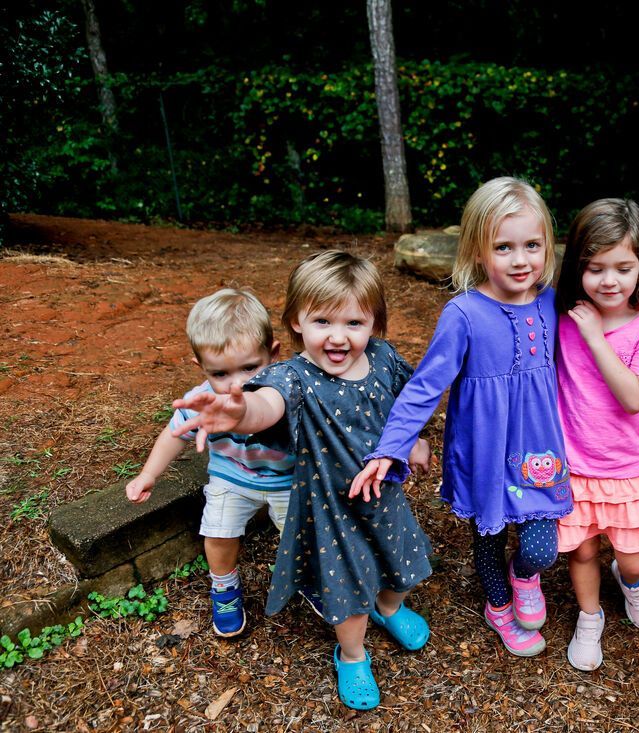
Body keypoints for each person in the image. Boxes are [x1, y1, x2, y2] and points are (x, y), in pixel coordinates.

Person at [172, 251, 433, 711]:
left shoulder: (385, 358)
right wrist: (239, 414)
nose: (338, 336)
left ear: (374, 322)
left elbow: (406, 404)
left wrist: (413, 441)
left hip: (386, 496)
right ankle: (352, 655)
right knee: (349, 594)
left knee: (405, 563)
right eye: (322, 321)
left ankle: (389, 608)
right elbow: (264, 405)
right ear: (295, 321)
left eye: (354, 322)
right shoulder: (292, 377)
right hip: (333, 511)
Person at [354, 177, 572, 658]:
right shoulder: (464, 313)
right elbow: (426, 386)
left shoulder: (554, 303)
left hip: (538, 448)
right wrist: (392, 446)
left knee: (541, 545)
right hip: (485, 449)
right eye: (503, 247)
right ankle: (498, 606)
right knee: (488, 535)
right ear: (477, 251)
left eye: (532, 245)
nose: (520, 260)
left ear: (547, 246)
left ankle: (525, 575)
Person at [125, 288, 292, 638]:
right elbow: (174, 434)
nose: (237, 384)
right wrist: (148, 474)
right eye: (220, 374)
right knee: (217, 535)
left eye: (250, 367)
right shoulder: (200, 401)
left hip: (287, 482)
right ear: (201, 368)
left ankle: (314, 580)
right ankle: (225, 588)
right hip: (231, 479)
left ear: (273, 354)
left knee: (303, 538)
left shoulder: (287, 390)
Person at [553, 198, 639, 670]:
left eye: (622, 267)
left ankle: (632, 582)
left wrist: (597, 339)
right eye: (595, 268)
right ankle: (589, 615)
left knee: (637, 560)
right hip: (574, 464)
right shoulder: (564, 317)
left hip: (624, 466)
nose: (609, 281)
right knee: (582, 550)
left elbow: (634, 398)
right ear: (578, 266)